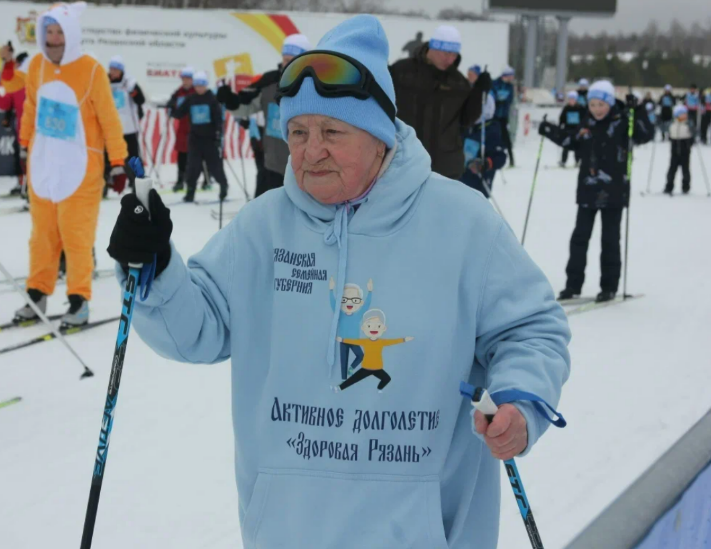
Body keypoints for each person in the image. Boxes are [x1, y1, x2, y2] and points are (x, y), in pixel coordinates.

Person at [107, 15, 570, 548]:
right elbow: (195, 329)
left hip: (423, 533)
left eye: (332, 132)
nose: (311, 151)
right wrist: (154, 265)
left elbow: (531, 330)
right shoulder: (262, 227)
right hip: (287, 532)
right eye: (298, 132)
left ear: (380, 136)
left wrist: (520, 401)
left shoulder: (464, 223)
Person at [14, 2, 127, 328]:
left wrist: (118, 161)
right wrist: (24, 145)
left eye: (59, 32)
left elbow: (108, 118)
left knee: (77, 238)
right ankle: (37, 294)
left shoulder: (91, 69)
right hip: (44, 166)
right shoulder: (37, 65)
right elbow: (30, 108)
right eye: (49, 32)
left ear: (71, 34)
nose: (53, 39)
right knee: (42, 238)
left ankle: (79, 301)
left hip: (80, 169)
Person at [539, 81, 653, 303]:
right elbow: (570, 139)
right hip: (588, 191)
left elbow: (645, 134)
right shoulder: (587, 123)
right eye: (592, 104)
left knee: (610, 240)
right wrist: (549, 130)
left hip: (614, 192)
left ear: (609, 103)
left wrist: (638, 110)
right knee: (579, 238)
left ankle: (609, 286)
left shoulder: (623, 122)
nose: (597, 109)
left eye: (601, 104)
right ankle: (573, 285)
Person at [216, 33, 311, 197]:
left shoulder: (314, 85)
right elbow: (245, 106)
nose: (287, 64)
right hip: (272, 164)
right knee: (264, 208)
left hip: (303, 167)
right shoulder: (269, 81)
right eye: (285, 59)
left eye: (292, 60)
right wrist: (229, 100)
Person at [390, 24, 488, 179]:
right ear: (433, 47)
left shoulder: (458, 82)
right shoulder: (402, 72)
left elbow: (466, 120)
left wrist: (478, 91)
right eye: (446, 53)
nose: (450, 59)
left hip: (445, 169)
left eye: (454, 55)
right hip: (403, 163)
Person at [168, 71, 227, 203]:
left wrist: (219, 136)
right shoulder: (191, 99)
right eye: (197, 86)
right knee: (193, 168)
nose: (199, 88)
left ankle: (223, 187)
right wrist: (171, 107)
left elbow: (218, 119)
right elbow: (179, 114)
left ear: (206, 85)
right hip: (195, 139)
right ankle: (190, 193)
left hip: (210, 139)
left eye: (202, 85)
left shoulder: (212, 99)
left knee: (215, 166)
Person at [104, 54, 146, 196]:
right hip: (111, 129)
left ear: (121, 71)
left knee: (132, 157)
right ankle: (105, 185)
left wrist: (132, 91)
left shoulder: (129, 82)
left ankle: (138, 184)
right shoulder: (104, 82)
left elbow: (141, 100)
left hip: (129, 128)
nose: (113, 72)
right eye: (111, 69)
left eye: (116, 70)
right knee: (108, 157)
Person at [0, 43, 30, 195]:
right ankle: (22, 183)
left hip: (37, 129)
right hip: (21, 129)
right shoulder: (17, 84)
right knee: (19, 158)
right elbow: (5, 103)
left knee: (33, 159)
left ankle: (32, 186)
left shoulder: (35, 82)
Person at [460, 91, 506, 197]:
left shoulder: (491, 131)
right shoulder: (466, 128)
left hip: (478, 187)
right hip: (460, 182)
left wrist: (485, 164)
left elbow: (500, 157)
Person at [168, 66, 196, 192]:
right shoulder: (178, 92)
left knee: (197, 155)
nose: (185, 81)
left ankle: (203, 179)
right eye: (184, 79)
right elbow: (173, 106)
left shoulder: (197, 91)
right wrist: (171, 106)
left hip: (196, 128)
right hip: (182, 128)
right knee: (182, 155)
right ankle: (180, 180)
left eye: (188, 79)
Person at [492, 66, 516, 167]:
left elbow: (509, 100)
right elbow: (492, 97)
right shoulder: (495, 83)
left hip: (503, 117)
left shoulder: (510, 86)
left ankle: (511, 160)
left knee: (506, 138)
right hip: (494, 117)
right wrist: (499, 100)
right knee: (494, 138)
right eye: (511, 76)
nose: (512, 78)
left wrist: (502, 100)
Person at [665, 105, 692, 195]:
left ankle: (686, 187)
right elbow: (668, 132)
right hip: (675, 149)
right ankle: (669, 186)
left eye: (685, 114)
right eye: (682, 114)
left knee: (685, 170)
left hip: (685, 149)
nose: (685, 116)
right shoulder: (672, 124)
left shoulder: (688, 124)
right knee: (672, 170)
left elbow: (693, 133)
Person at [558, 90, 586, 167]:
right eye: (570, 99)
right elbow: (562, 118)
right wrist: (560, 126)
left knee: (577, 146)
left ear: (576, 99)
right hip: (567, 129)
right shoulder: (566, 108)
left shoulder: (580, 108)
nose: (572, 101)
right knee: (566, 145)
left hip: (577, 130)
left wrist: (583, 127)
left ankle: (577, 161)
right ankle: (563, 161)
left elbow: (584, 119)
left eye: (573, 99)